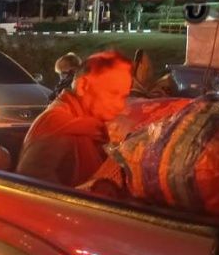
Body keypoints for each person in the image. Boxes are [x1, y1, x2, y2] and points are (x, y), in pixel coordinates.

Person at [17, 51, 133, 187]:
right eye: (113, 94)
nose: (121, 106)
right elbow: (33, 189)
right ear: (83, 86)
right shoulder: (58, 125)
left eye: (123, 96)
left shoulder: (91, 124)